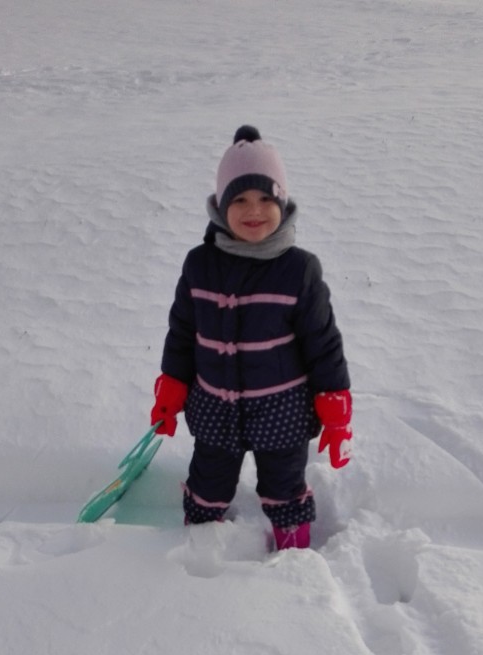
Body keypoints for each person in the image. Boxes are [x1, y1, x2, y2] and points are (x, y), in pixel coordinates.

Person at [150, 125, 352, 550]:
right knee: (208, 481)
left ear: (282, 203)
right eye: (239, 199)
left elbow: (322, 343)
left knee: (284, 486)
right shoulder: (199, 265)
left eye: (265, 199)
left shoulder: (299, 270)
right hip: (214, 410)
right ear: (220, 206)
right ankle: (199, 545)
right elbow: (183, 332)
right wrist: (172, 387)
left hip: (282, 412)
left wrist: (333, 404)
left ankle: (293, 551)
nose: (253, 211)